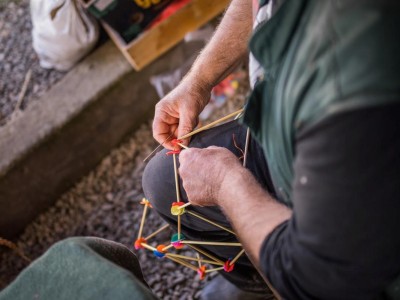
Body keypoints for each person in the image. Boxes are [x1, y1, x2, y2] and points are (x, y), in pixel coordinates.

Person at [143, 0, 400, 299]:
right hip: (297, 133)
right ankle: (264, 272)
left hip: (350, 216)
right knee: (164, 181)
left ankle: (274, 271)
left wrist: (226, 183)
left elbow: (316, 277)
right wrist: (198, 79)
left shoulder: (354, 72)